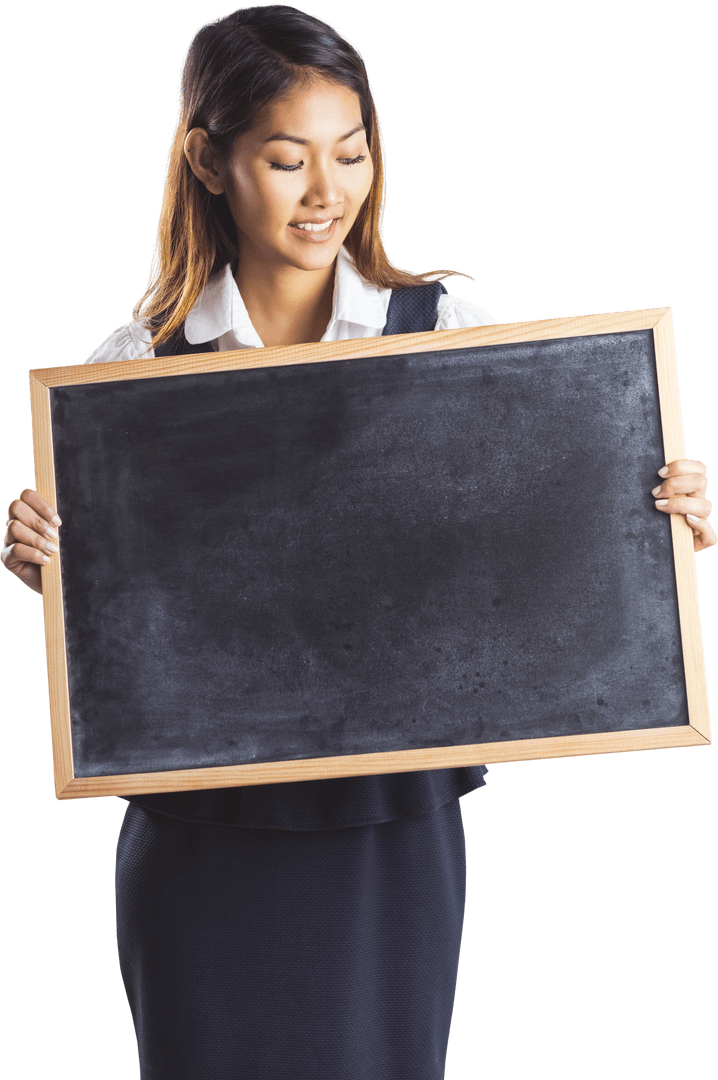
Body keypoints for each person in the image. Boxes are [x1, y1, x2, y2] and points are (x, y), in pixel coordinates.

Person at [2, 5, 715, 1079]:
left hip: (391, 835)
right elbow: (128, 629)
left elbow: (521, 573)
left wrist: (648, 526)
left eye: (350, 153)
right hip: (199, 844)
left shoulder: (454, 344)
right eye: (286, 160)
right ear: (207, 160)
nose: (326, 192)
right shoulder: (126, 371)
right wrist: (43, 558)